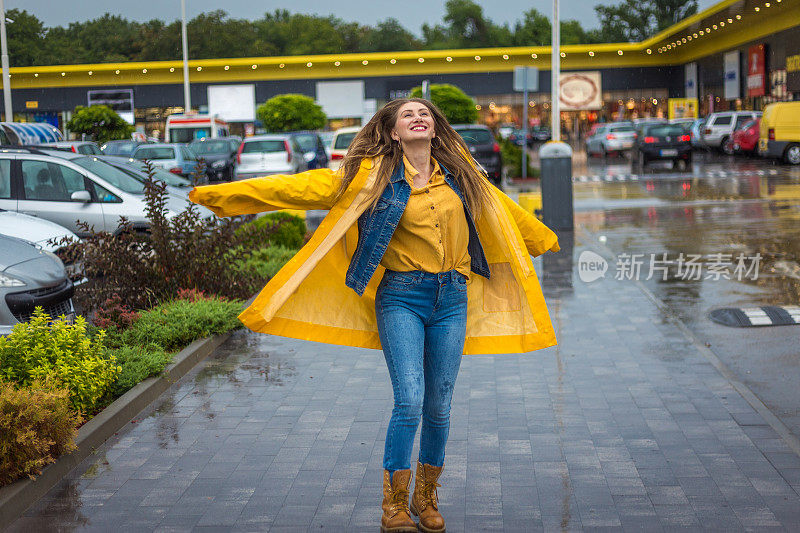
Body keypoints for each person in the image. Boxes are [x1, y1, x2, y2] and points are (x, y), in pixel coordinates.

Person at [189, 98, 560, 533]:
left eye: (425, 114)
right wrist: (221, 196)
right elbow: (301, 188)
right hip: (401, 297)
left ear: (435, 129)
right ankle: (394, 507)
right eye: (409, 115)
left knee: (439, 406)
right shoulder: (371, 176)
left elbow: (503, 210)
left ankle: (426, 497)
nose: (419, 118)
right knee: (410, 400)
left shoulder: (461, 176)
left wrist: (541, 239)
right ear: (394, 132)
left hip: (452, 298)